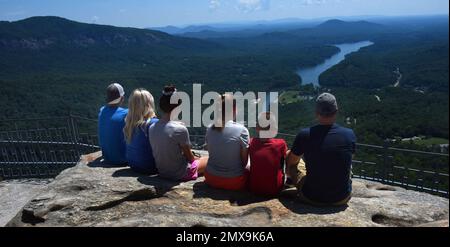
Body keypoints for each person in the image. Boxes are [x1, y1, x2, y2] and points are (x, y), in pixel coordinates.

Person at [286, 93, 356, 206]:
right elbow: (350, 158)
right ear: (336, 111)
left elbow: (292, 162)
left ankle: (288, 183)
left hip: (310, 197)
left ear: (316, 113)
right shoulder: (349, 134)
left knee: (290, 155)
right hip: (342, 198)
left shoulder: (304, 135)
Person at [148, 85, 207, 181]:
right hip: (180, 173)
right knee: (209, 160)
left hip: (162, 172)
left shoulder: (152, 127)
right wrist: (198, 159)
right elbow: (190, 158)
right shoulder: (180, 129)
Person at [204, 94, 250, 191]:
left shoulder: (209, 128)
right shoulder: (242, 130)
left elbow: (211, 153)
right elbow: (244, 162)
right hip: (234, 182)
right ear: (234, 109)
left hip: (210, 178)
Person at [249, 112, 288, 197]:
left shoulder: (251, 142)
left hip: (254, 188)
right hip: (274, 190)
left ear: (257, 127)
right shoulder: (281, 143)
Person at [123, 88, 159, 174]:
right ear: (149, 104)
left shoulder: (129, 123)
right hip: (150, 167)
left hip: (133, 165)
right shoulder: (154, 124)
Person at [98, 83, 128, 166]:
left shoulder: (101, 110)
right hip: (123, 159)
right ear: (122, 98)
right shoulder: (126, 113)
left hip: (107, 157)